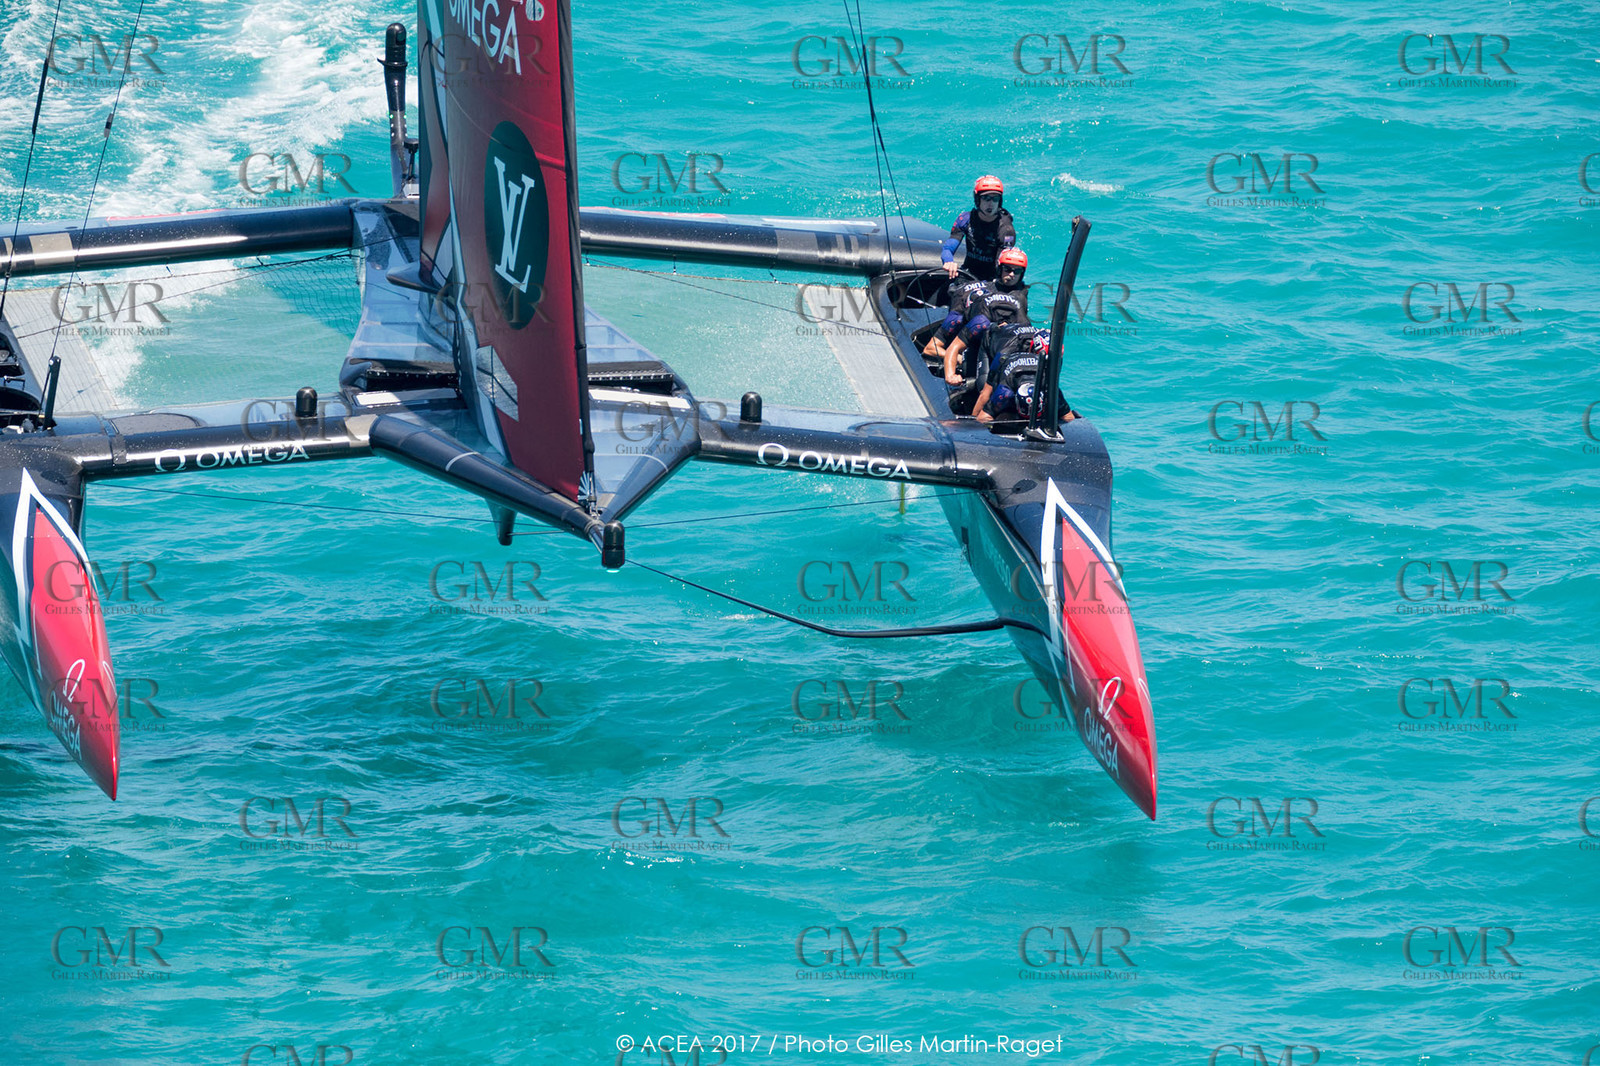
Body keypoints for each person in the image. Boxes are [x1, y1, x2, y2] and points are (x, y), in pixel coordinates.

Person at [923, 248, 1030, 364]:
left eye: (1017, 271)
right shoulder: (976, 291)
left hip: (995, 345)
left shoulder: (1021, 296)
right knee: (956, 320)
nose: (1012, 275)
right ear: (1000, 269)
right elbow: (930, 349)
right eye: (1007, 269)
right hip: (969, 336)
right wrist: (960, 359)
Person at [972, 325, 1076, 427]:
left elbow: (1068, 417)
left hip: (1025, 373)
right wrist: (973, 424)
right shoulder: (1005, 391)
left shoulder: (1050, 384)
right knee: (985, 389)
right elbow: (983, 413)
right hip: (1002, 357)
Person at [941, 175, 1016, 282]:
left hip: (992, 279)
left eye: (995, 199)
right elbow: (948, 248)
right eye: (986, 198)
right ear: (977, 199)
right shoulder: (965, 219)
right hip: (968, 273)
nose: (991, 204)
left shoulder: (1006, 230)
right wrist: (948, 262)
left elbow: (1003, 265)